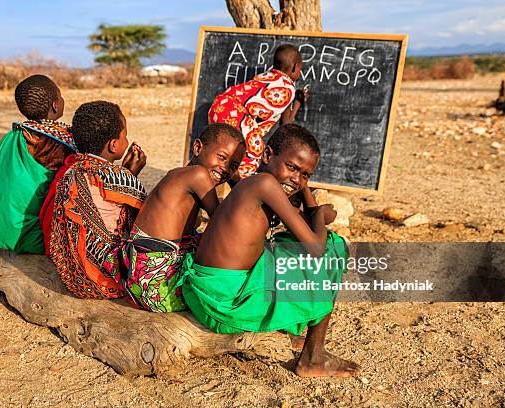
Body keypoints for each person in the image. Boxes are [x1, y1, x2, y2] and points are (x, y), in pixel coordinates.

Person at [178, 123, 360, 378]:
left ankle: (289, 328)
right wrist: (319, 214)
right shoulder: (264, 184)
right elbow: (317, 246)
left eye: (306, 174)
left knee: (288, 244)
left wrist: (302, 184)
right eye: (292, 167)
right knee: (333, 248)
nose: (297, 179)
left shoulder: (261, 183)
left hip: (211, 288)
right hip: (225, 300)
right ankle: (312, 356)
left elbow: (302, 227)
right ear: (266, 156)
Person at [122, 124, 245, 312]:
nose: (226, 168)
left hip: (140, 282)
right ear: (197, 148)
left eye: (234, 165)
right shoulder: (199, 175)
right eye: (222, 157)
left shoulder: (179, 174)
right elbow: (224, 224)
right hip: (158, 289)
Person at [48, 101, 146, 299]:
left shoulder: (71, 169)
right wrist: (129, 176)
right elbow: (150, 213)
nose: (127, 141)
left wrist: (126, 174)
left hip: (72, 273)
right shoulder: (117, 178)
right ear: (113, 145)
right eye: (124, 136)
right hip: (104, 278)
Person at [0, 74, 76, 254]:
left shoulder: (11, 136)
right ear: (55, 105)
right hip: (30, 236)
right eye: (60, 95)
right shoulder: (57, 144)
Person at [208, 44, 307, 180]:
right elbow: (285, 125)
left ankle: (220, 177)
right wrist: (297, 102)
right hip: (235, 113)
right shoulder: (287, 87)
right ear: (295, 67)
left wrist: (296, 102)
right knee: (253, 149)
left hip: (220, 106)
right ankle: (239, 185)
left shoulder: (266, 76)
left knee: (224, 150)